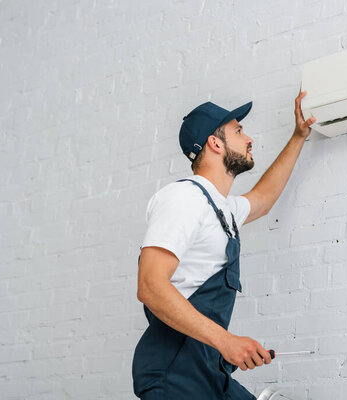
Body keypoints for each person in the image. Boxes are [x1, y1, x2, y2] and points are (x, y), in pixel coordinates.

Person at [132, 89, 317, 399]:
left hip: (207, 371)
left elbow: (264, 198)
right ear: (214, 143)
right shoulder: (184, 198)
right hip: (175, 376)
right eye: (239, 131)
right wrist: (226, 341)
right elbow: (149, 286)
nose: (249, 139)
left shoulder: (222, 209)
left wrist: (299, 136)